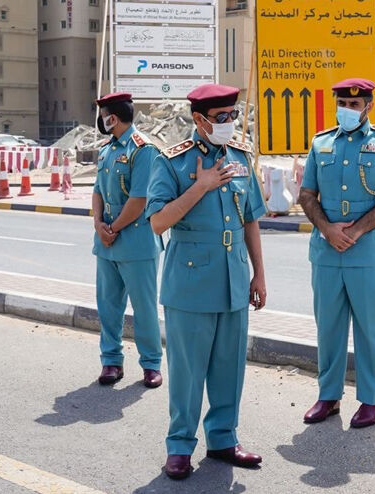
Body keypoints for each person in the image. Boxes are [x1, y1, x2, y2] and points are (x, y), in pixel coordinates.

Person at [146, 83, 267, 480]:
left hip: (233, 278)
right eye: (221, 118)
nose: (229, 123)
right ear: (199, 120)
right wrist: (200, 186)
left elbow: (250, 219)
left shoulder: (241, 158)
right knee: (187, 372)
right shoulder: (171, 161)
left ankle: (223, 439)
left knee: (229, 369)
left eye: (232, 116)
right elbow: (158, 222)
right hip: (190, 282)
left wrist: (258, 274)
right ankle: (179, 446)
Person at [298, 78, 375, 428]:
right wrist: (328, 230)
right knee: (328, 327)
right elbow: (306, 195)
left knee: (370, 328)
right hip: (327, 251)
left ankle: (371, 400)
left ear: (368, 107)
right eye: (342, 104)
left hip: (370, 253)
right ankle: (328, 396)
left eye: (354, 105)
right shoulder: (321, 142)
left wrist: (357, 230)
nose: (347, 110)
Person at [92, 92, 164, 388]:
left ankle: (151, 365)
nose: (101, 121)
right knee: (108, 307)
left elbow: (140, 198)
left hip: (135, 242)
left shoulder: (143, 150)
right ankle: (111, 362)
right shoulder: (107, 151)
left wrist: (113, 228)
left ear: (112, 118)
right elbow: (97, 191)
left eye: (103, 115)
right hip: (107, 242)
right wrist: (98, 224)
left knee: (144, 308)